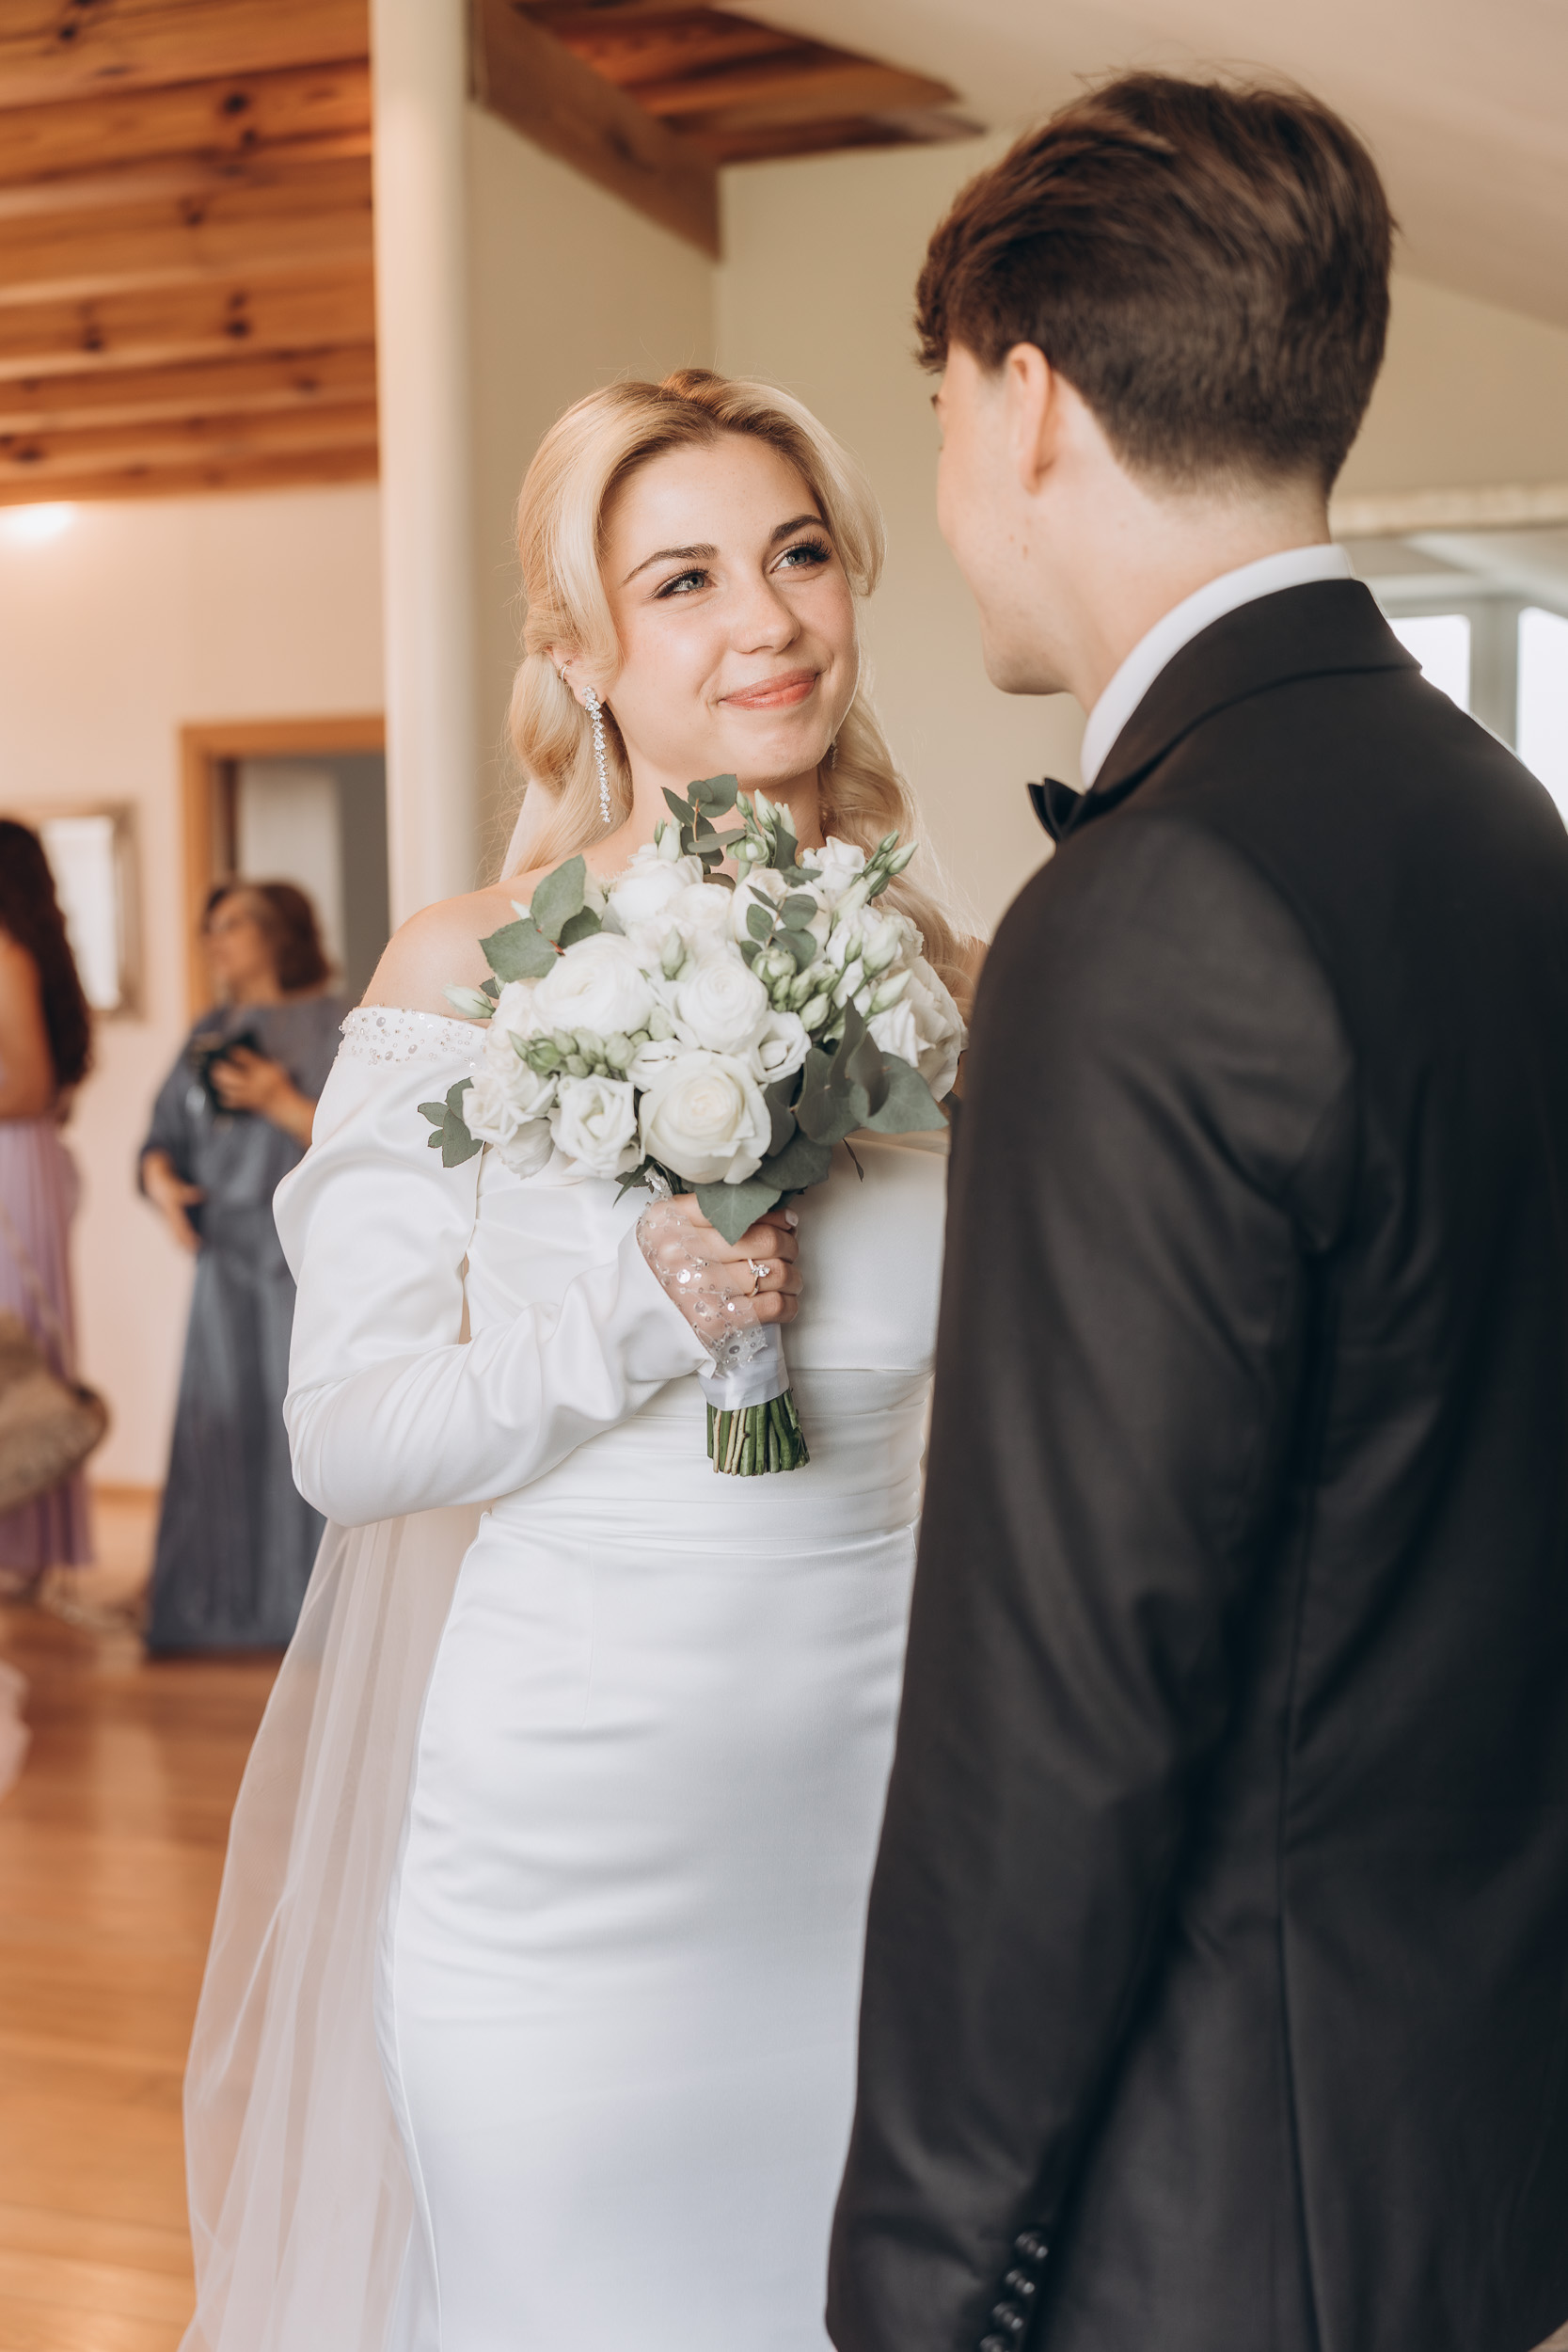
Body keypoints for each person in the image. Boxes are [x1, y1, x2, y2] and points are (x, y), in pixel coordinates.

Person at [827, 72, 1568, 2352]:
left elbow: (1057, 1691)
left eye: (940, 419)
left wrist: (916, 2274)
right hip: (1465, 2140)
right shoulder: (1500, 830)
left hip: (1223, 2203)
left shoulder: (1151, 905)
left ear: (1027, 403)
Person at [180, 370, 971, 2352]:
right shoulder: (462, 970)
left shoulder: (947, 986)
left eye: (797, 555)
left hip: (885, 1843)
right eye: (682, 580)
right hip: (564, 1868)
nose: (765, 620)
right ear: (581, 647)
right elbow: (350, 1435)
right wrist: (639, 1306)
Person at [140, 882, 346, 1654]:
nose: (215, 941)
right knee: (219, 1429)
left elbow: (362, 1141)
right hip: (223, 1267)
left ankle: (304, 1613)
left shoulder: (336, 1024)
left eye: (232, 925)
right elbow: (160, 1136)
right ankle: (210, 1613)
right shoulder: (209, 1031)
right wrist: (161, 1182)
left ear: (278, 933)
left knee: (299, 1429)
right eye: (210, 928)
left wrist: (278, 1099)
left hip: (301, 1264)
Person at [0, 818, 94, 1601]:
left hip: (10, 1158)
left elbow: (28, 1086)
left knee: (16, 1349)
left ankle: (19, 1546)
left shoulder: (6, 955)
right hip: (20, 1156)